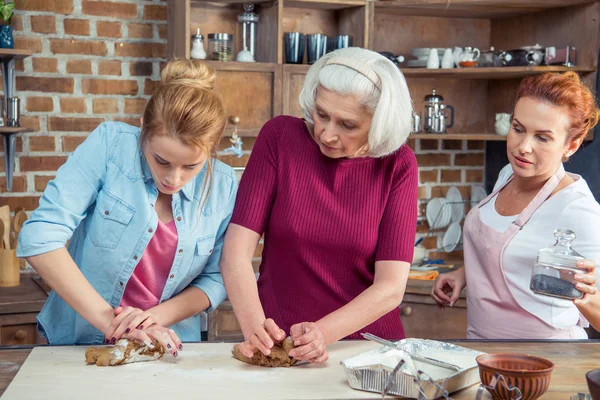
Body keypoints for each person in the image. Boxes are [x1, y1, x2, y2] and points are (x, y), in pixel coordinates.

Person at [17, 59, 237, 355]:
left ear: (212, 147)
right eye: (161, 160)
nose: (173, 178)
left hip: (169, 347)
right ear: (143, 129)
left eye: (191, 166)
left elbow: (217, 277)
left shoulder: (224, 186)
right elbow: (40, 238)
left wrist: (152, 319)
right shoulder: (110, 146)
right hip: (82, 341)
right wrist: (114, 323)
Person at [221, 47, 418, 364]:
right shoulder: (280, 138)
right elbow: (235, 253)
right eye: (321, 114)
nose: (327, 133)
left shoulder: (398, 165)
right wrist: (255, 327)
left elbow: (391, 287)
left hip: (367, 351)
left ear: (379, 122)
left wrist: (322, 333)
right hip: (281, 343)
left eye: (348, 125)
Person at [432, 71, 600, 339]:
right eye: (518, 129)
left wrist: (584, 296)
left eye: (542, 138)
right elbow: (516, 256)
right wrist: (464, 274)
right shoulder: (507, 174)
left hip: (547, 360)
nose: (523, 147)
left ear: (571, 145)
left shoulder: (577, 209)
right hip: (483, 351)